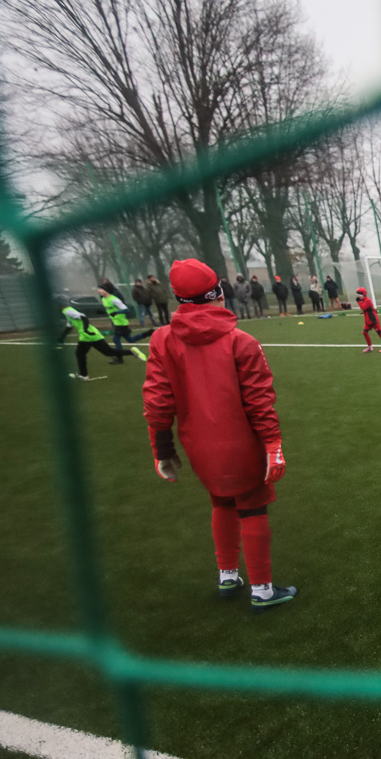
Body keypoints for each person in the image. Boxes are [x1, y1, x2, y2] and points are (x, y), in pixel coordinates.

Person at [142, 258, 296, 612]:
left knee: (221, 501)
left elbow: (157, 401)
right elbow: (260, 401)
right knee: (253, 507)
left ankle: (227, 575)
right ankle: (262, 589)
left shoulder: (161, 339)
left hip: (198, 445)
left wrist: (161, 448)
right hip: (242, 445)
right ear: (217, 293)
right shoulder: (241, 341)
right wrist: (273, 444)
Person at [58, 295, 125, 379]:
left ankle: (84, 375)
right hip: (92, 334)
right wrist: (61, 338)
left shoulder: (67, 311)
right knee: (108, 352)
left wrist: (85, 329)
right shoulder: (67, 311)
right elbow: (69, 326)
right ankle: (132, 352)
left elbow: (83, 317)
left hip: (87, 335)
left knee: (80, 354)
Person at [99, 286, 152, 357]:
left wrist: (116, 313)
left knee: (116, 339)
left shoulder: (114, 300)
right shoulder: (103, 299)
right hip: (116, 322)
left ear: (106, 290)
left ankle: (119, 358)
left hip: (121, 323)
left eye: (101, 289)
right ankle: (150, 332)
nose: (99, 291)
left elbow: (126, 310)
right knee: (131, 340)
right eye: (98, 289)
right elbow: (109, 309)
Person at [356, 286, 381, 352]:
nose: (358, 296)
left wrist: (358, 302)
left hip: (373, 320)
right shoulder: (363, 300)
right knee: (364, 332)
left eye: (359, 295)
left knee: (379, 333)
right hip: (367, 320)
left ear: (364, 294)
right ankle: (370, 346)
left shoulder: (367, 300)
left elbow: (363, 307)